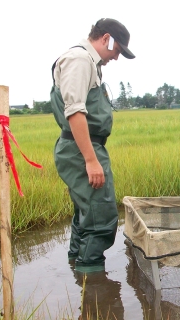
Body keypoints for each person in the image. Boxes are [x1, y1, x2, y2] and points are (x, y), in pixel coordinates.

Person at [51, 18, 135, 273]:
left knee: (86, 213)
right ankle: (94, 291)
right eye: (117, 50)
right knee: (100, 219)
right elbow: (74, 112)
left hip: (83, 147)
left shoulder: (90, 63)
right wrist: (90, 159)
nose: (116, 57)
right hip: (81, 149)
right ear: (105, 38)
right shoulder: (79, 60)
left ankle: (77, 268)